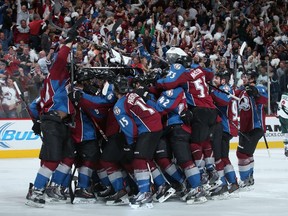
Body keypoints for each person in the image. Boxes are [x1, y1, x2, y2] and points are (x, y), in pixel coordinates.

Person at [25, 27, 79, 208]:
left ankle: (54, 187)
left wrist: (37, 121)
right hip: (53, 121)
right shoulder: (56, 74)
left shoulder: (64, 81)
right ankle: (37, 190)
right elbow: (62, 57)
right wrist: (69, 43)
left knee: (68, 156)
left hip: (61, 123)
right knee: (52, 159)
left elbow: (34, 106)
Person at [113, 75, 163, 208]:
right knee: (146, 158)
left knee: (139, 159)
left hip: (148, 127)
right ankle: (161, 185)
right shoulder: (133, 94)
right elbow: (151, 104)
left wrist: (131, 143)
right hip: (155, 122)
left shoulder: (118, 106)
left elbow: (130, 128)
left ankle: (145, 192)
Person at [235, 70, 268, 188]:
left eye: (247, 76)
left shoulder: (260, 87)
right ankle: (249, 178)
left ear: (253, 78)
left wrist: (256, 93)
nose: (244, 78)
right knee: (247, 153)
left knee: (241, 153)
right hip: (245, 128)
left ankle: (244, 180)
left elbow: (264, 100)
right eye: (243, 76)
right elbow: (232, 95)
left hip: (256, 127)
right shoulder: (242, 90)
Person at [277, 92, 288, 157]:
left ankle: (286, 147)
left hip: (281, 115)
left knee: (285, 133)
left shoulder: (283, 94)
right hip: (286, 116)